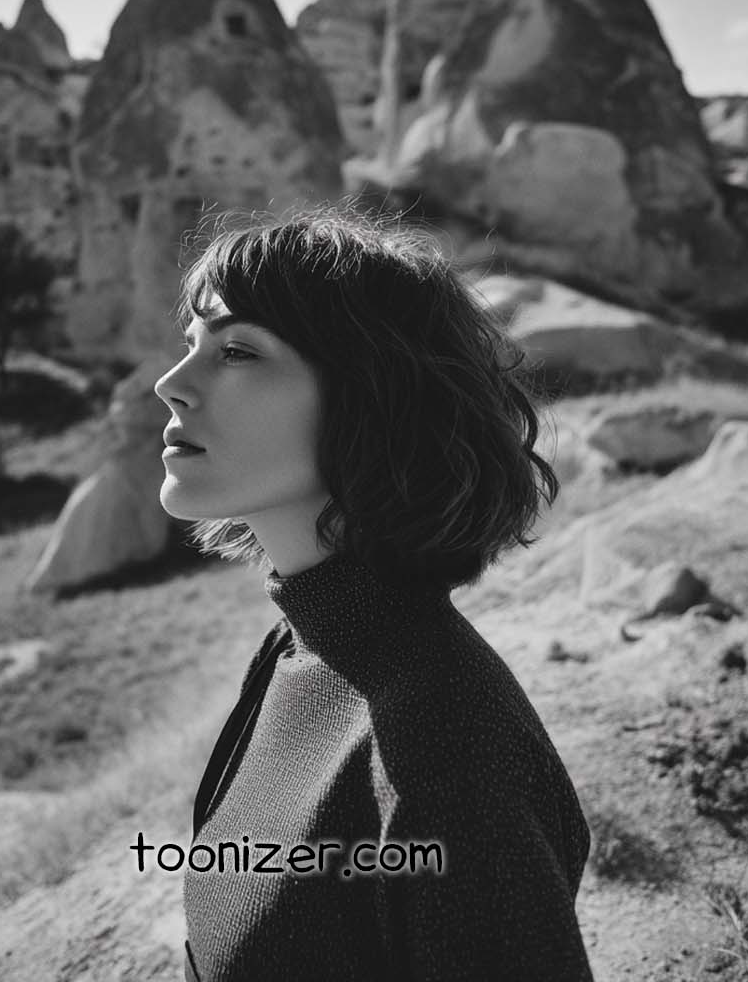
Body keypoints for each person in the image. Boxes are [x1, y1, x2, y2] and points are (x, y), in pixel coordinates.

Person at [153, 203, 594, 982]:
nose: (171, 384)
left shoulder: (444, 747)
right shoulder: (306, 650)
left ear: (371, 396)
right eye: (192, 346)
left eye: (239, 353)